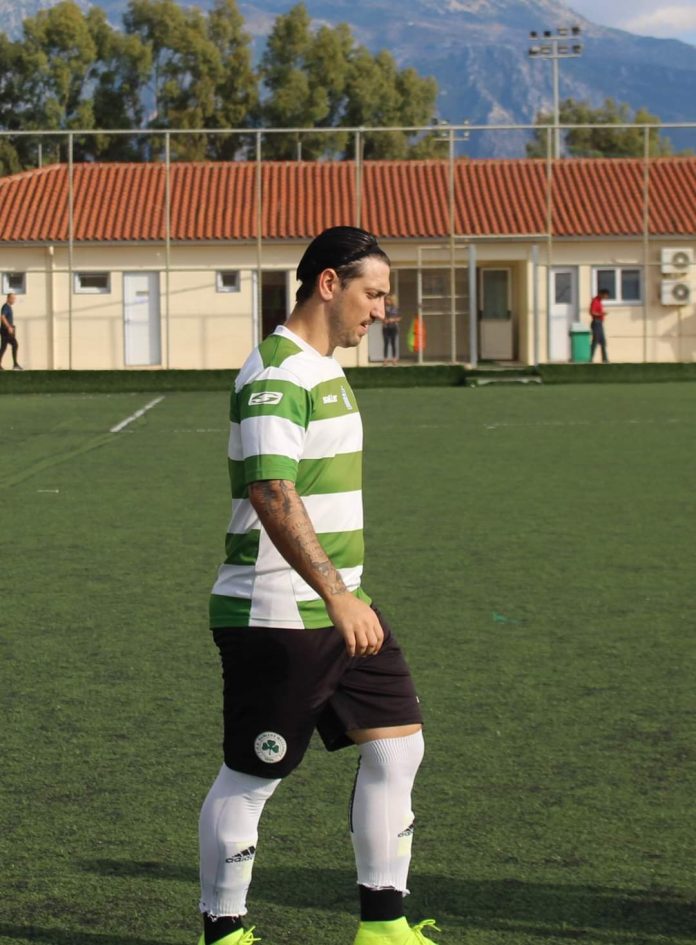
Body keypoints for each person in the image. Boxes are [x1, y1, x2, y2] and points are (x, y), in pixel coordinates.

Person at [199, 227, 438, 945]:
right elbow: (272, 491)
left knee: (397, 747)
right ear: (329, 284)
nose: (382, 310)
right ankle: (224, 932)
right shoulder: (277, 372)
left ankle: (384, 926)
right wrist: (335, 594)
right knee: (254, 775)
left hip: (340, 605)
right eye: (374, 293)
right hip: (278, 611)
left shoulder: (321, 366)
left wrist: (343, 596)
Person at [0, 293, 23, 370]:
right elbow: (2, 317)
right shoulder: (6, 307)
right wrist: (9, 327)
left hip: (6, 330)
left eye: (14, 298)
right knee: (15, 344)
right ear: (8, 298)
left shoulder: (8, 307)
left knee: (3, 347)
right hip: (6, 330)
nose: (14, 300)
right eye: (12, 298)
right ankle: (15, 364)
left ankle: (15, 364)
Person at [589, 288, 610, 363]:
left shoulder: (599, 301)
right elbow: (592, 312)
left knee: (603, 341)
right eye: (605, 295)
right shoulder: (595, 301)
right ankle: (590, 358)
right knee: (595, 341)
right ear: (601, 294)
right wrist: (601, 314)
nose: (606, 297)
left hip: (600, 323)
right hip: (596, 322)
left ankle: (605, 359)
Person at [382, 294, 401, 364]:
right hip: (385, 328)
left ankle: (394, 359)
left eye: (388, 299)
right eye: (386, 299)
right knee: (386, 343)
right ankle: (385, 359)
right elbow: (380, 317)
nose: (387, 301)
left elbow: (399, 318)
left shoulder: (395, 308)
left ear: (391, 301)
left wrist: (392, 320)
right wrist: (384, 320)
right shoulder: (383, 308)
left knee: (393, 343)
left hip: (393, 327)